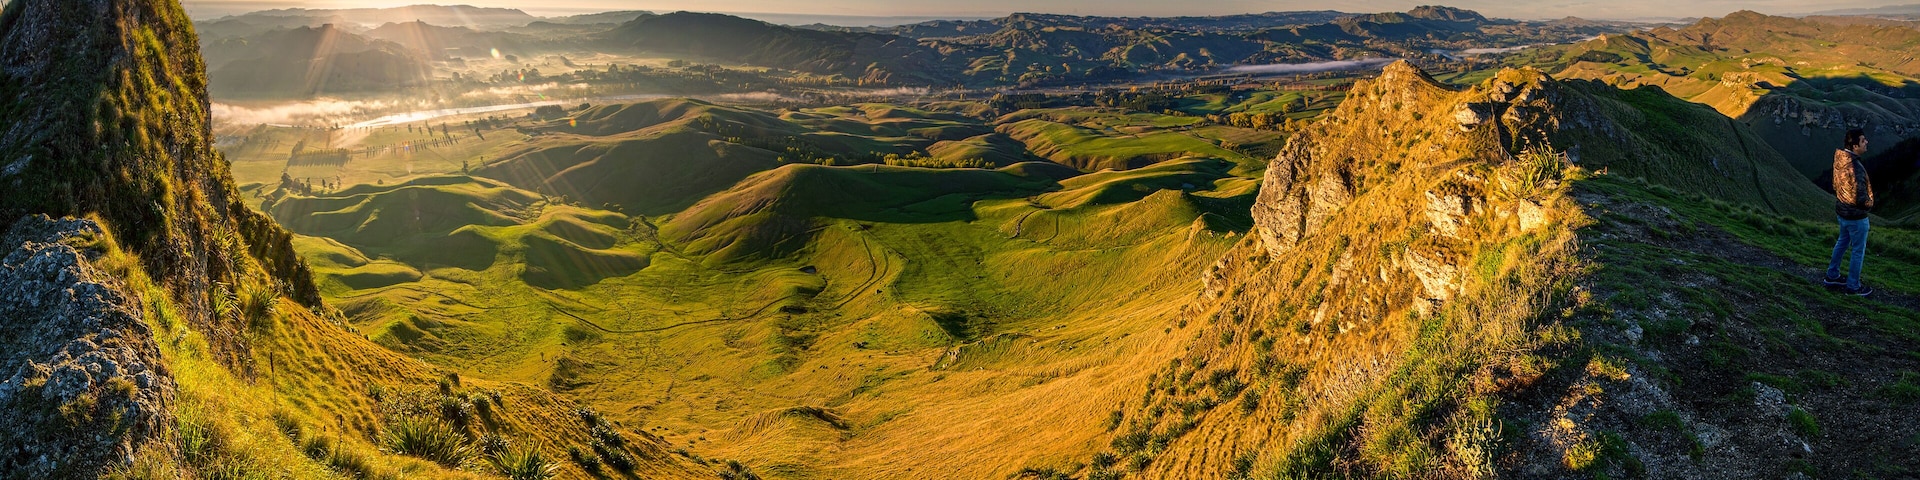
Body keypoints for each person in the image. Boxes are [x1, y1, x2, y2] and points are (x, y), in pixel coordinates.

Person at [1825, 128, 1875, 296]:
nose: (1866, 142)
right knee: (1858, 250)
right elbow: (1860, 198)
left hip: (1842, 212)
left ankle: (1832, 275)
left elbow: (1834, 185)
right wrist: (1869, 205)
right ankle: (1853, 286)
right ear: (1854, 146)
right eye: (1863, 140)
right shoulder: (1856, 167)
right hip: (1856, 216)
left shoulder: (1840, 159)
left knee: (1842, 242)